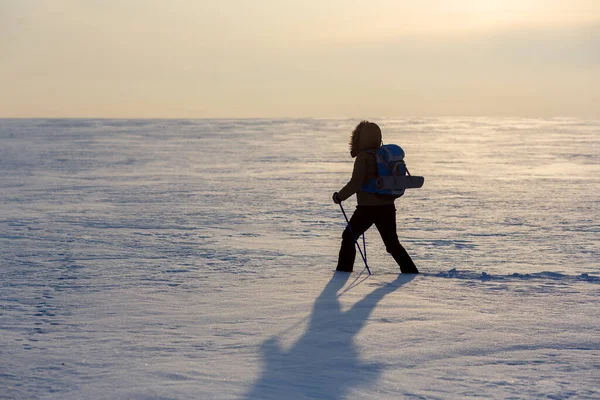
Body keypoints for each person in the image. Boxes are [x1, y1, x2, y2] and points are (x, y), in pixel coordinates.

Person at [333, 121, 419, 274]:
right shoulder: (384, 156)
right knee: (392, 244)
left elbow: (355, 183)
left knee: (348, 237)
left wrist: (340, 196)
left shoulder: (364, 158)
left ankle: (342, 273)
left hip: (367, 208)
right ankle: (410, 271)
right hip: (387, 206)